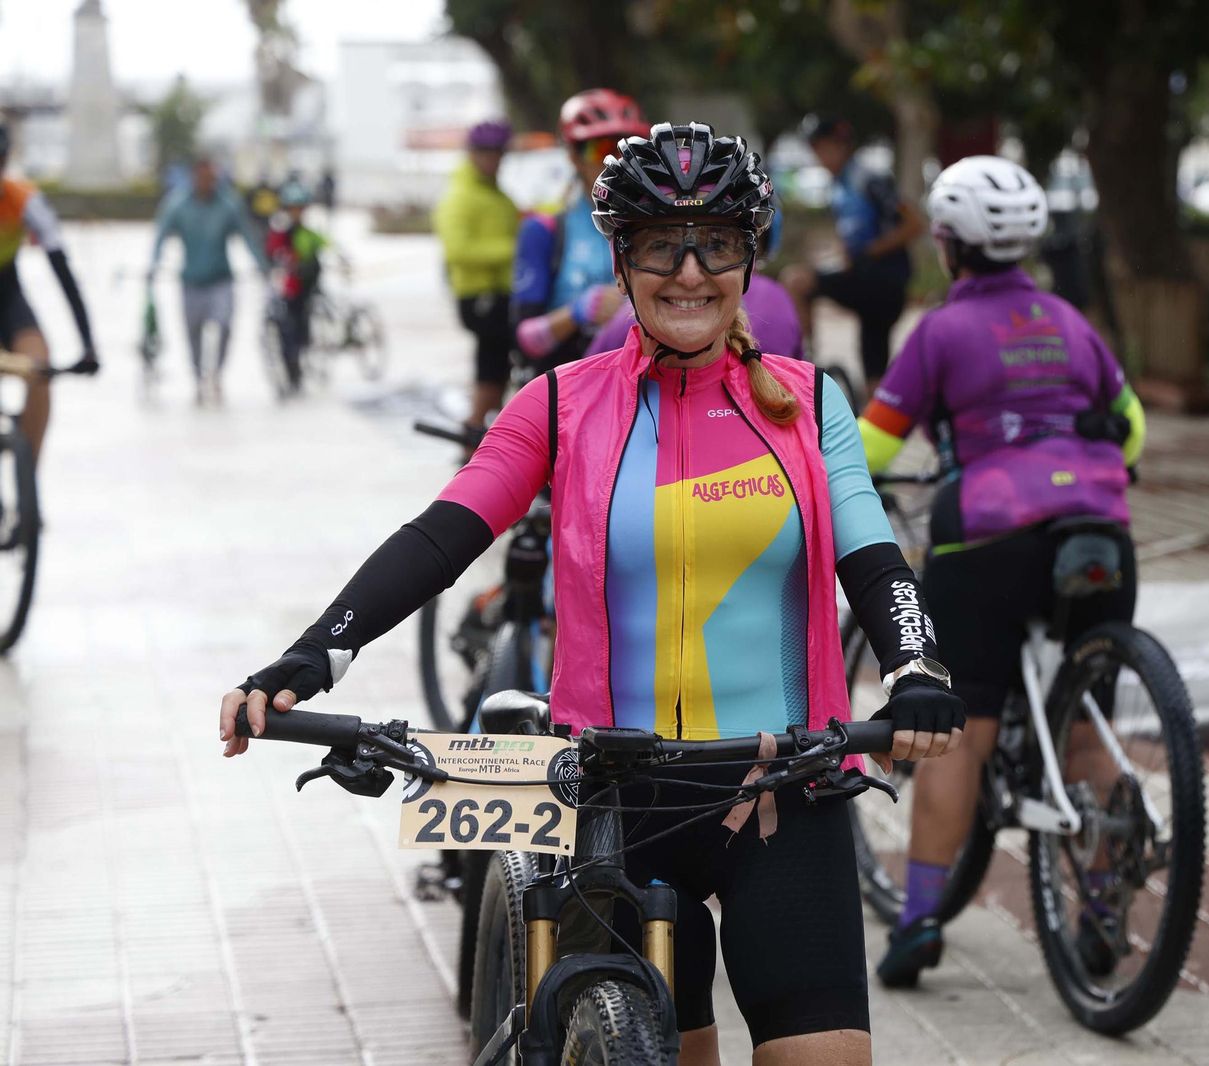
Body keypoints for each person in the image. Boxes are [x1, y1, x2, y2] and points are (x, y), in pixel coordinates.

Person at [221, 121, 966, 1066]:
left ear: (750, 255)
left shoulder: (812, 403)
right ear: (622, 257)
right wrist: (312, 654)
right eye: (661, 243)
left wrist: (914, 665)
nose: (690, 272)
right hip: (614, 799)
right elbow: (442, 536)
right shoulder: (560, 403)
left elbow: (874, 561)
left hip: (786, 784)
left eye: (719, 242)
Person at [855, 156, 1146, 988]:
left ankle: (916, 924)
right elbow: (1131, 435)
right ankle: (1101, 901)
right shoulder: (1071, 320)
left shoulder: (941, 331)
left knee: (961, 729)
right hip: (1099, 530)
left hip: (986, 537)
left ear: (946, 245)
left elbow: (872, 444)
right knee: (1085, 723)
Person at [510, 89, 649, 372]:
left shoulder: (655, 227)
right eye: (600, 149)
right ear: (573, 155)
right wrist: (578, 312)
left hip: (639, 390)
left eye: (625, 150)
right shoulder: (544, 229)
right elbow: (525, 339)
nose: (614, 162)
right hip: (565, 392)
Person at [785, 115, 922, 395]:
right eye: (815, 149)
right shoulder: (840, 184)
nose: (819, 157)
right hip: (864, 279)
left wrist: (868, 252)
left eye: (823, 148)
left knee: (796, 281)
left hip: (883, 280)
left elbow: (914, 225)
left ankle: (803, 363)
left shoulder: (869, 177)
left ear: (841, 146)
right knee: (873, 372)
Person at [584, 202, 803, 359]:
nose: (690, 277)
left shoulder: (626, 318)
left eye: (717, 245)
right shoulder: (777, 297)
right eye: (661, 246)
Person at [0, 121, 98, 460]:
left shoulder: (25, 201)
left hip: (9, 302)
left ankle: (30, 474)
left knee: (40, 372)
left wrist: (87, 344)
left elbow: (64, 276)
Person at [149, 154, 271, 405]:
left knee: (225, 324)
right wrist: (154, 264)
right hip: (191, 282)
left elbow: (247, 236)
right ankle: (197, 377)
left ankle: (216, 373)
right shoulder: (178, 205)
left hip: (221, 280)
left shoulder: (228, 204)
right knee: (192, 333)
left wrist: (262, 266)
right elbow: (161, 235)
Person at [434, 119, 521, 433]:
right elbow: (458, 250)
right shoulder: (460, 196)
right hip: (480, 298)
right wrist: (515, 249)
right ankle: (472, 434)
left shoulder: (495, 193)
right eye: (485, 152)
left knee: (501, 368)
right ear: (472, 153)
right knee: (491, 371)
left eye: (499, 152)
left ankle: (488, 432)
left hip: (503, 294)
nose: (493, 159)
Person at [264, 181, 332, 394]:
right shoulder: (281, 234)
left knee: (303, 330)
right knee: (287, 331)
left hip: (307, 290)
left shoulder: (309, 233)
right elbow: (272, 256)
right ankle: (291, 371)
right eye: (292, 208)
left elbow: (327, 245)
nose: (296, 213)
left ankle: (299, 366)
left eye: (299, 209)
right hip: (288, 292)